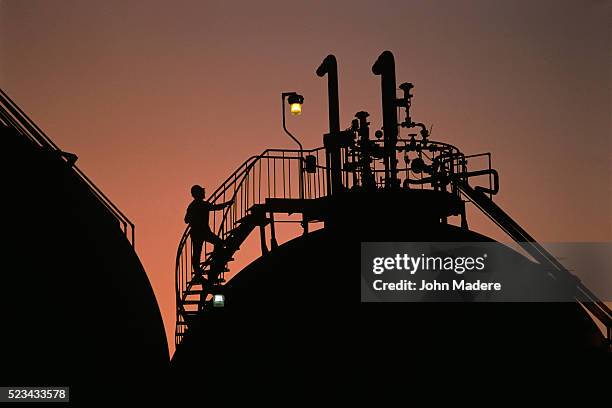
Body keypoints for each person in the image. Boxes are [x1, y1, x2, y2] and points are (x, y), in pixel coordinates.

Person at [184, 185, 233, 280]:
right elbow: (215, 207)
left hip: (198, 232)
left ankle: (202, 269)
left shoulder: (193, 205)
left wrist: (226, 204)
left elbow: (186, 220)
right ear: (198, 194)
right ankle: (210, 264)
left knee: (199, 251)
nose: (204, 193)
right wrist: (226, 204)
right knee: (217, 244)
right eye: (202, 192)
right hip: (201, 232)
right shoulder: (201, 204)